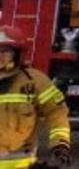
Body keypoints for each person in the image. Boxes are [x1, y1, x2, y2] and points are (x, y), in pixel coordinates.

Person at [0, 26, 71, 169]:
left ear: (17, 54)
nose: (0, 56)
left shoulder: (34, 81)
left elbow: (56, 112)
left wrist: (60, 144)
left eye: (5, 51)